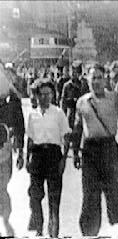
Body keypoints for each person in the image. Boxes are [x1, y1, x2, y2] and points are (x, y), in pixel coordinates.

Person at [71, 64, 118, 237]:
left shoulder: (114, 98)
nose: (95, 81)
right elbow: (77, 128)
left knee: (113, 190)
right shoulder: (82, 102)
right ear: (87, 80)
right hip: (90, 150)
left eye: (99, 77)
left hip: (108, 148)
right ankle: (89, 232)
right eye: (92, 77)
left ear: (105, 79)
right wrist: (75, 152)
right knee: (90, 194)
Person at [26, 78, 71, 237]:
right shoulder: (32, 114)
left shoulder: (58, 113)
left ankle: (53, 233)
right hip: (37, 157)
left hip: (53, 156)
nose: (45, 97)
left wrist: (64, 160)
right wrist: (26, 158)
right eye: (42, 94)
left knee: (54, 199)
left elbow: (66, 137)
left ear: (53, 95)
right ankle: (39, 228)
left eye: (48, 94)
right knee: (35, 196)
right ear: (36, 96)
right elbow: (30, 138)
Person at [0, 63, 25, 237]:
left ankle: (6, 220)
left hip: (4, 150)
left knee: (2, 187)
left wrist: (21, 150)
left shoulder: (12, 100)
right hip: (5, 149)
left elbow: (19, 125)